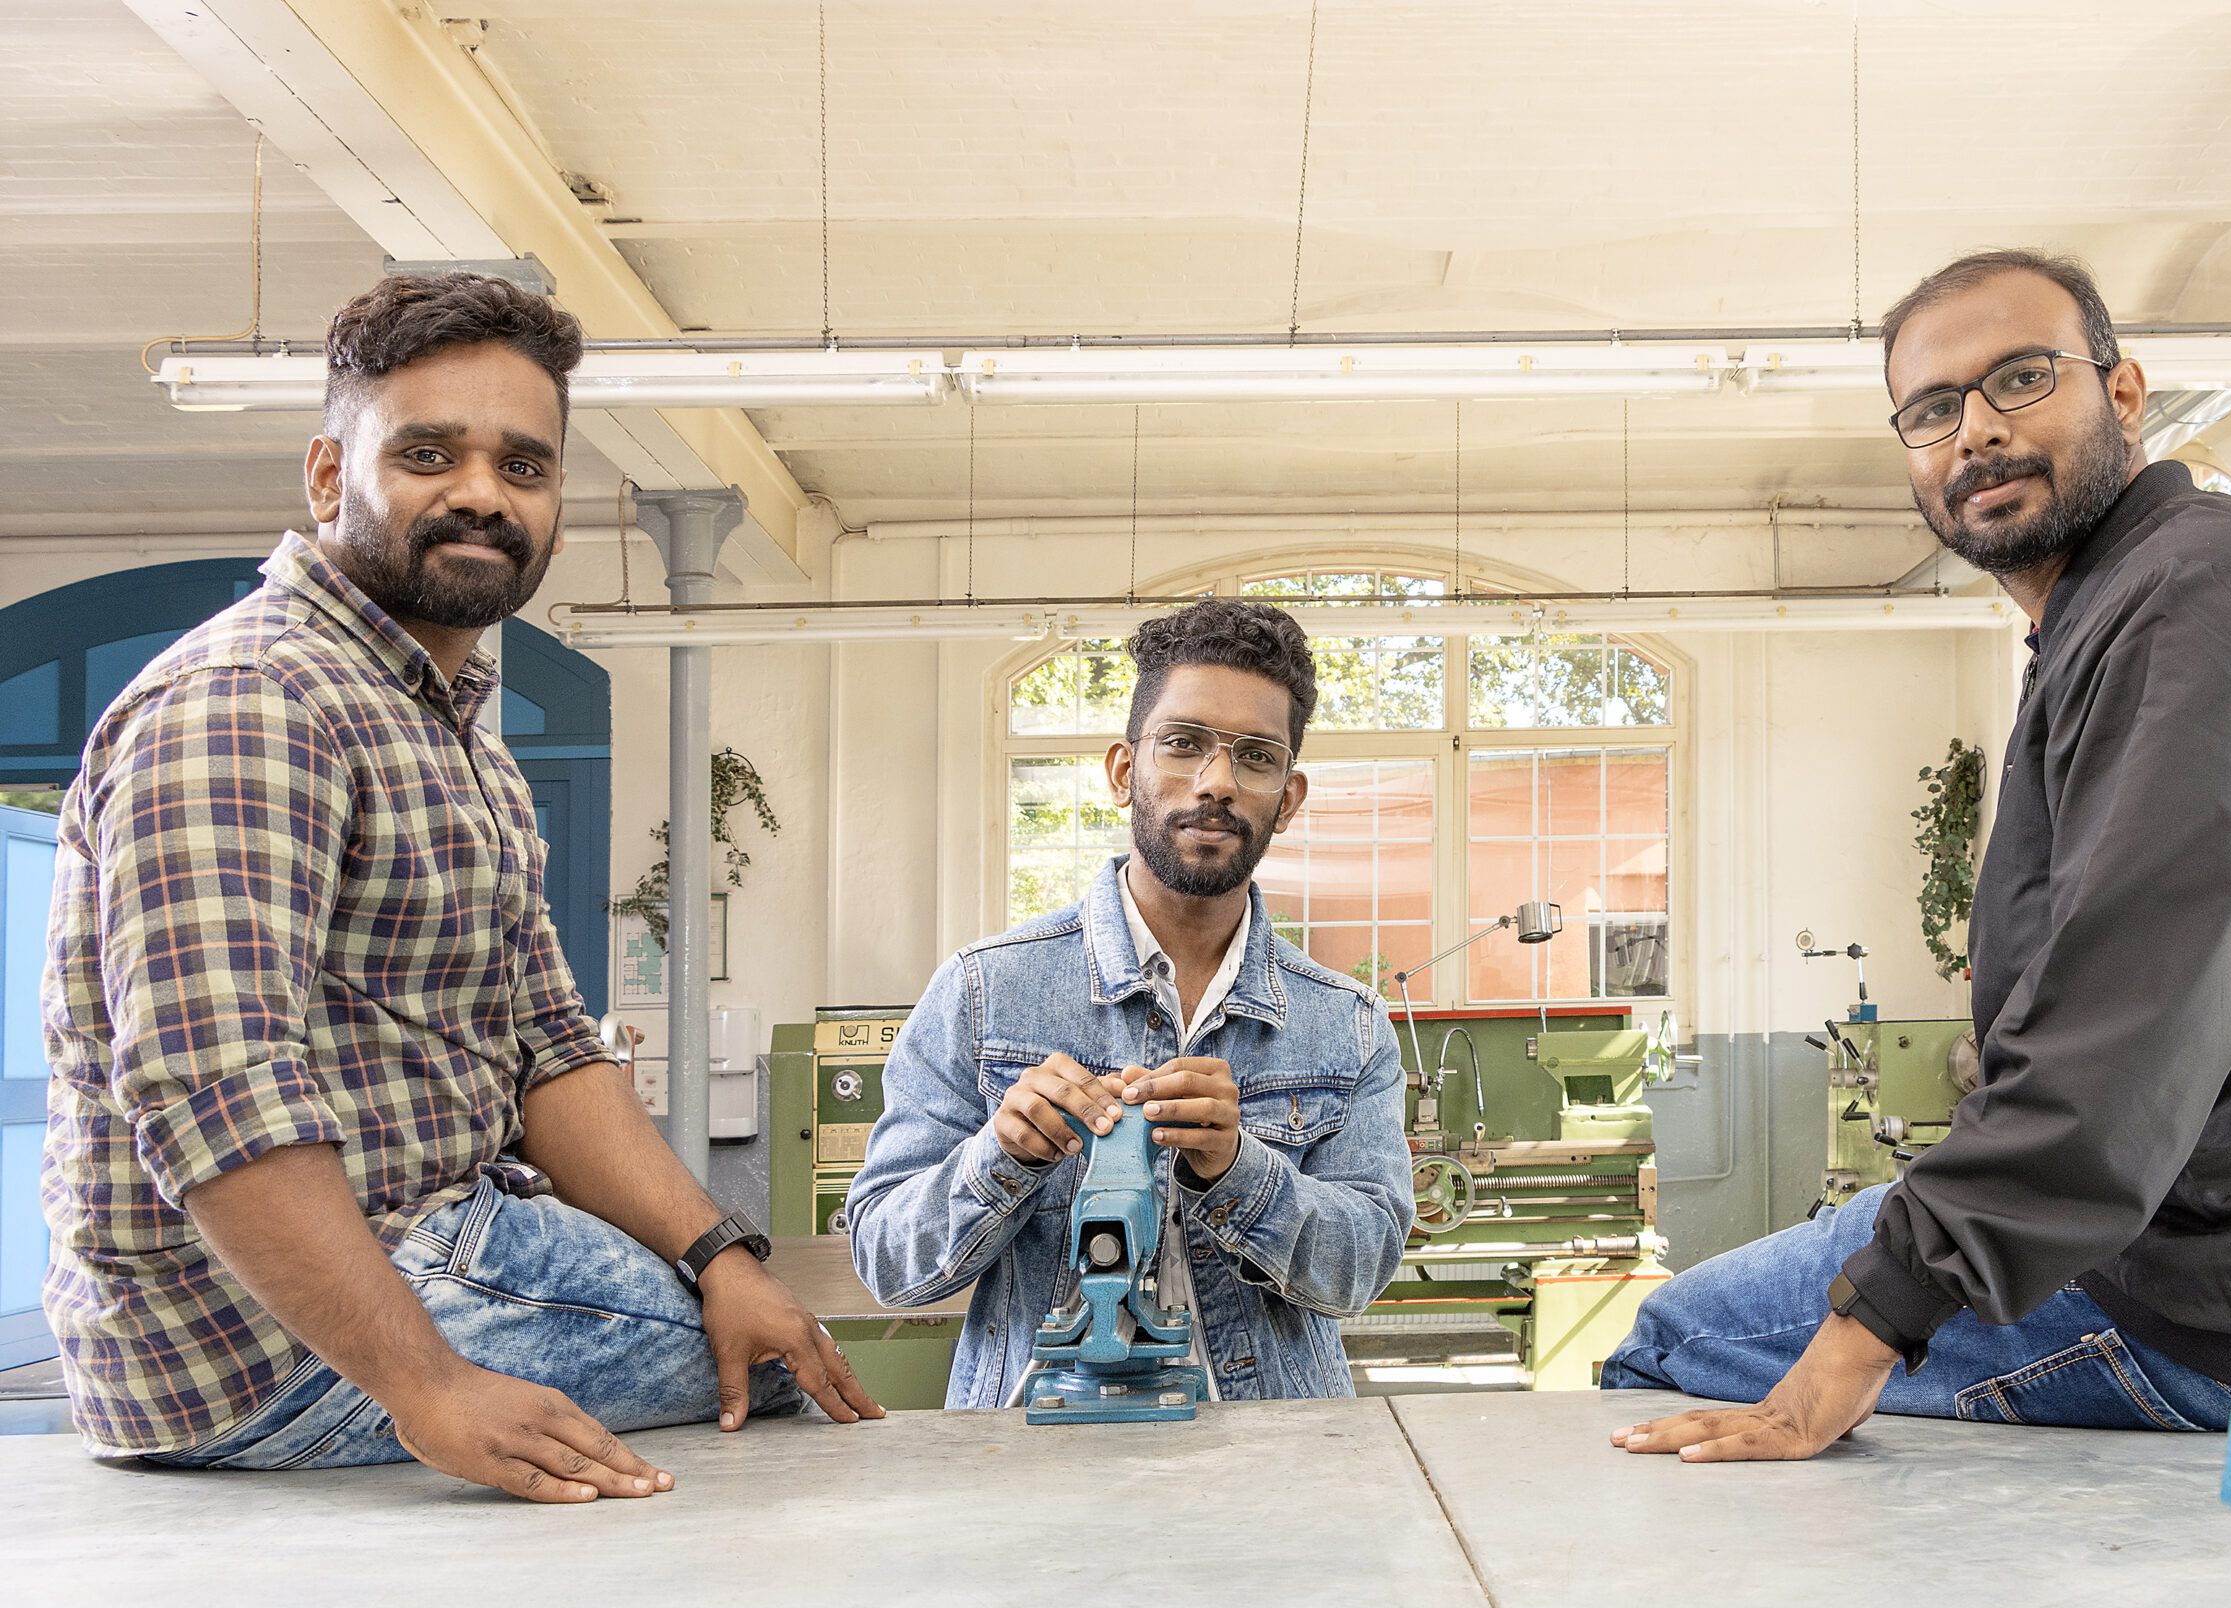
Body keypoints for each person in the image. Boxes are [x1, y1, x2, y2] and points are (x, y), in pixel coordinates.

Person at [1604, 249, 2231, 1462]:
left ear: (2123, 394)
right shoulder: (2142, 602)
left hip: (2220, 1309)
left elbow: (2125, 1014)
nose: (1974, 431)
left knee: (1667, 1340)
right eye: (1932, 410)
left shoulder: (2201, 597)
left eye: (2020, 378)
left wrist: (1866, 1332)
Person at [41, 272, 880, 1504]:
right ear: (330, 477)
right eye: (430, 453)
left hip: (440, 1238)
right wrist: (429, 1389)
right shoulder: (252, 704)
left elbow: (548, 1047)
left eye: (524, 468)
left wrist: (719, 1252)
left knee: (760, 1327)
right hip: (258, 1347)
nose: (483, 493)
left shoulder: (451, 730)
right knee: (779, 1394)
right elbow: (213, 1087)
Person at [847, 599, 1414, 1405]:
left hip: (1274, 1475)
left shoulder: (1348, 1027)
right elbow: (886, 1262)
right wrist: (999, 1158)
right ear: (1124, 770)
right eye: (1183, 744)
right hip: (1034, 1467)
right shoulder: (984, 991)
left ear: (1286, 799)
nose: (1217, 782)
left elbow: (1361, 1267)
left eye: (1255, 757)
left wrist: (1238, 1169)